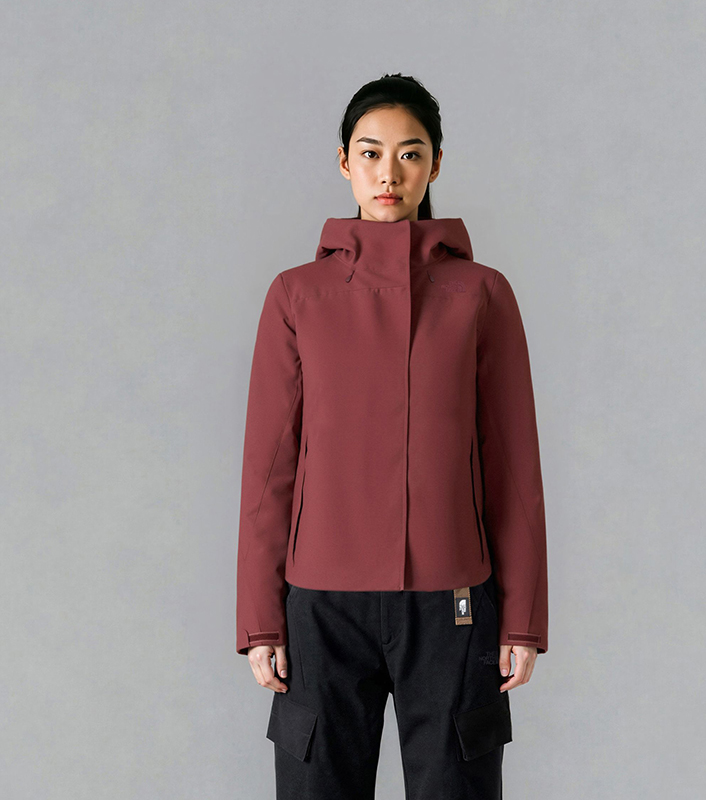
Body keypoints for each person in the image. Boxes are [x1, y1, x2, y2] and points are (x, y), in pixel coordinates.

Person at [236, 73, 548, 799]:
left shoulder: (481, 294)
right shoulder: (296, 296)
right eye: (371, 153)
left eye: (410, 154)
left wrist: (522, 618)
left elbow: (512, 466)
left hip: (452, 601)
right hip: (321, 605)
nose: (389, 173)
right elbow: (269, 468)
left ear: (435, 165)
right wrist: (261, 619)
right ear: (344, 161)